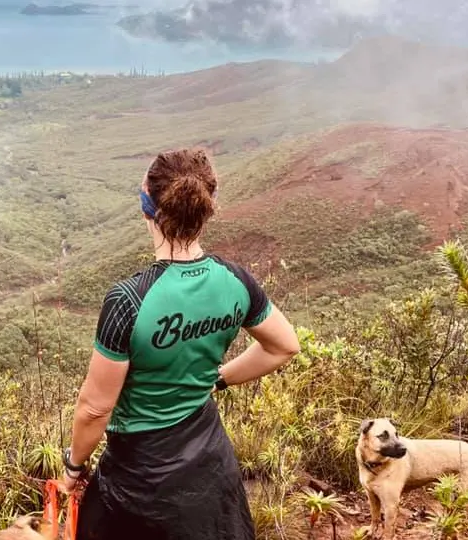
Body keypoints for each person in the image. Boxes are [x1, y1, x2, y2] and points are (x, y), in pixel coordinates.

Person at [58, 148, 302, 539]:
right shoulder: (235, 280)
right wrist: (216, 380)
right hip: (209, 458)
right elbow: (284, 346)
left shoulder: (129, 300)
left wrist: (73, 468)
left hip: (140, 474)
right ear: (207, 210)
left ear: (147, 209)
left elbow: (94, 408)